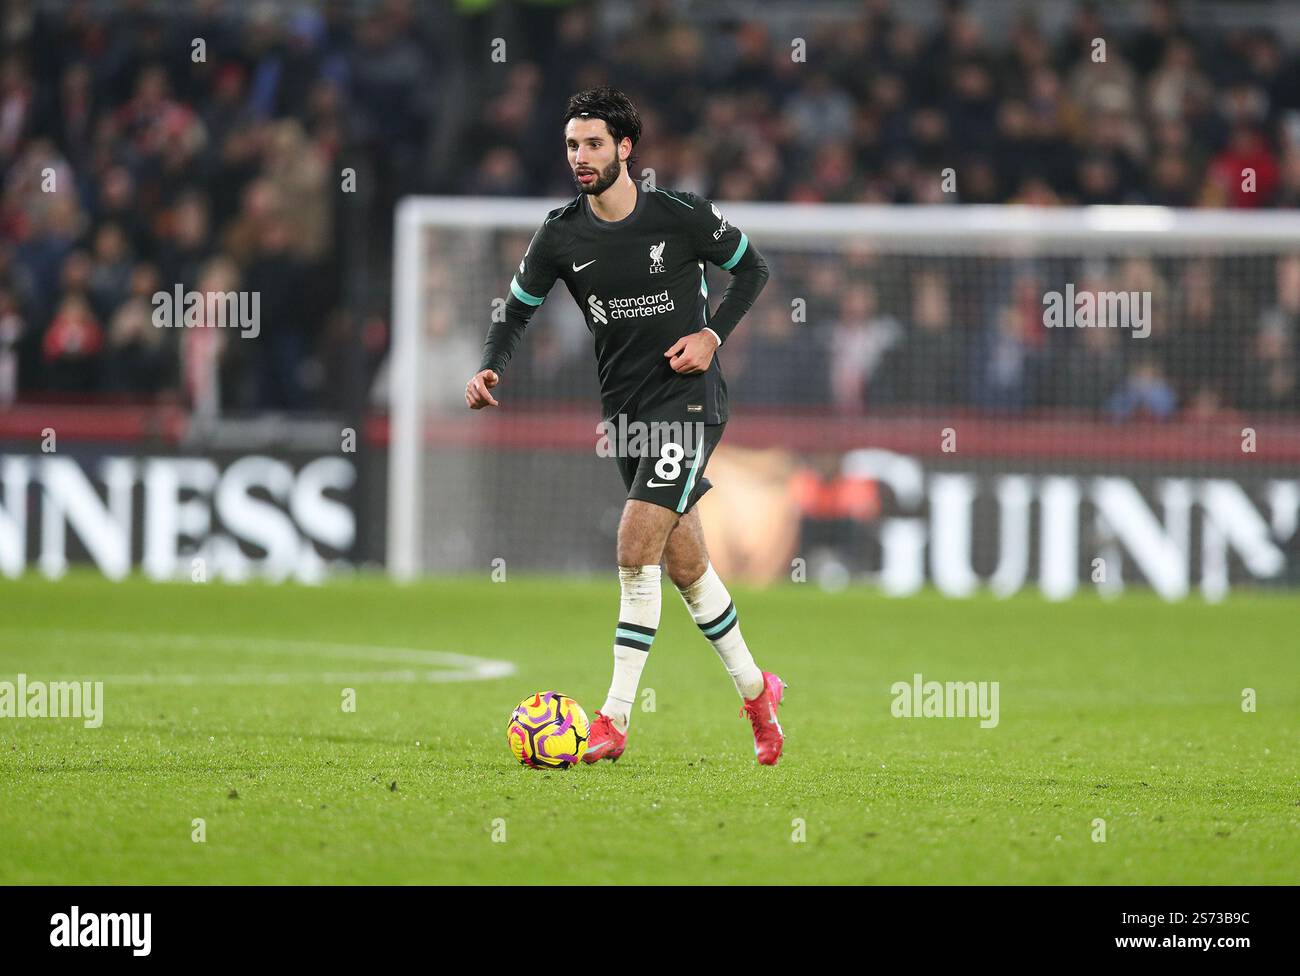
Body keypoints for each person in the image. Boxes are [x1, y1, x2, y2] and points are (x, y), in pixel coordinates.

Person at [465, 87, 786, 765]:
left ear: (625, 148)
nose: (580, 158)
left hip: (691, 402)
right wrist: (491, 365)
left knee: (633, 545)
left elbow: (754, 269)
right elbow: (515, 310)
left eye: (593, 144)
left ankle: (612, 720)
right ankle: (758, 694)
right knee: (684, 561)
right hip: (627, 413)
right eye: (572, 145)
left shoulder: (680, 217)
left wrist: (712, 336)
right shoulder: (560, 233)